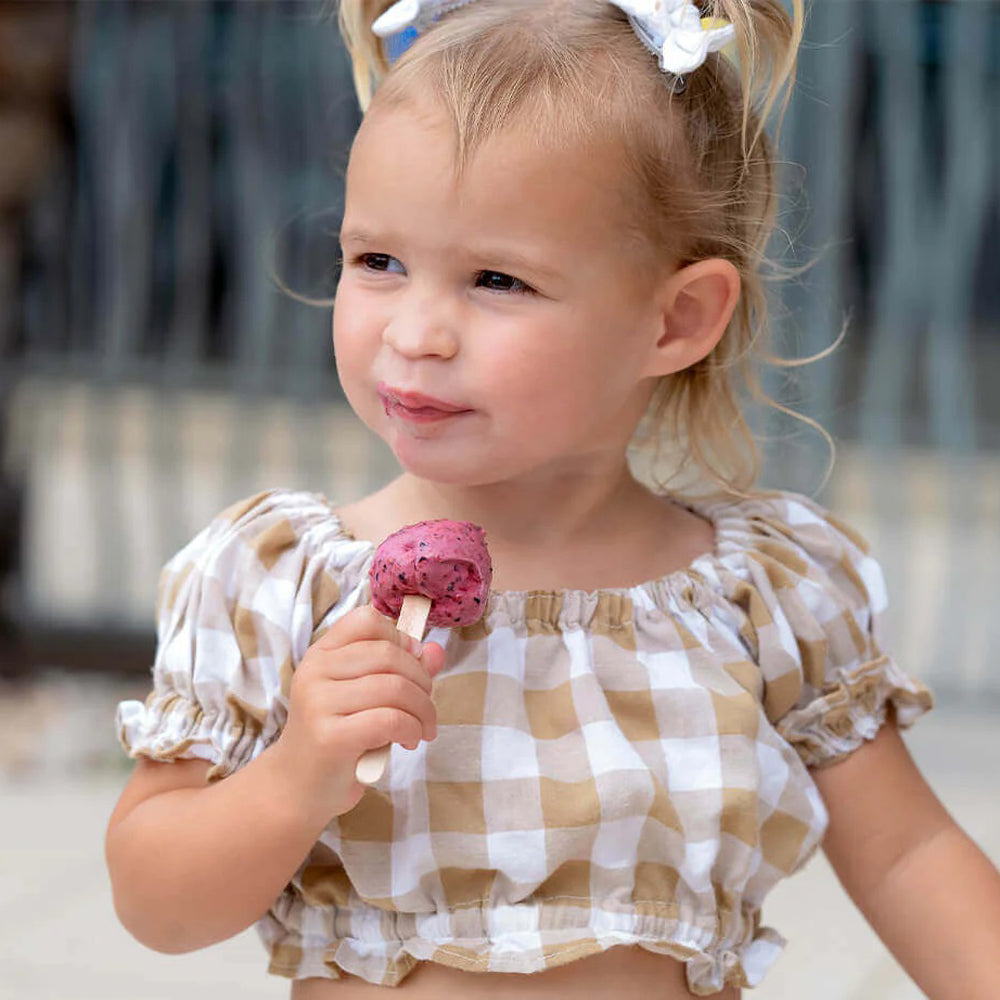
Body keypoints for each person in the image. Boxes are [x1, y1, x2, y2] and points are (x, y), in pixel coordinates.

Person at [105, 1, 1000, 997]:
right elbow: (157, 904)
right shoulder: (282, 582)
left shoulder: (759, 599)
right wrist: (295, 774)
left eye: (497, 279)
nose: (418, 331)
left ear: (675, 320)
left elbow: (909, 856)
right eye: (378, 262)